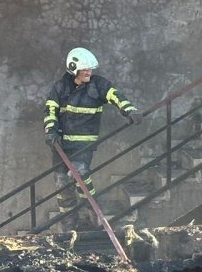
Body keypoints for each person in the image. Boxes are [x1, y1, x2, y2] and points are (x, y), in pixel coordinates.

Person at [43, 47, 141, 222]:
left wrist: (129, 110)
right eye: (85, 69)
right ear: (73, 68)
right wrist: (50, 131)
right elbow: (50, 110)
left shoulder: (98, 85)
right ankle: (68, 218)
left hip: (84, 144)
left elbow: (115, 95)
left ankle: (91, 208)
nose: (89, 72)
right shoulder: (60, 88)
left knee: (80, 175)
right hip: (61, 145)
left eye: (90, 69)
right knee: (61, 182)